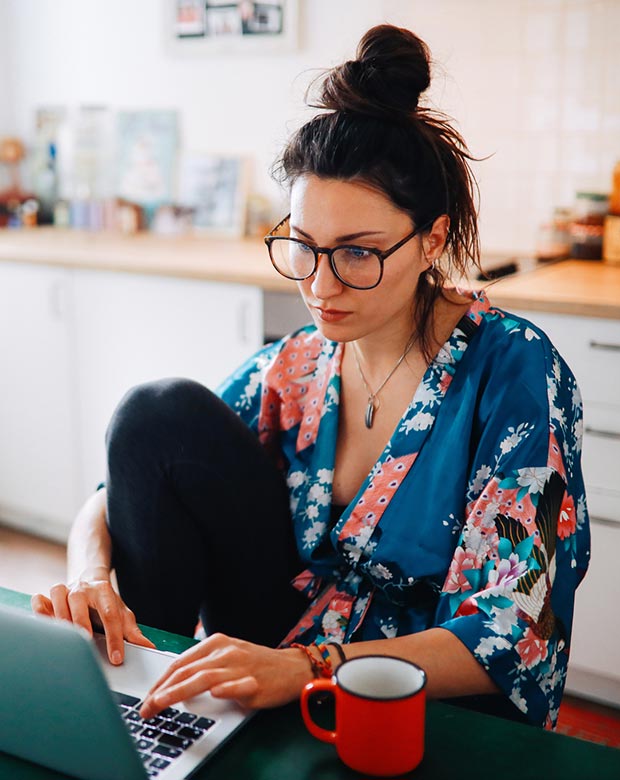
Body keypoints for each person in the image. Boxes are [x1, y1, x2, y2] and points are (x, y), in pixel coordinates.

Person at [32, 25, 589, 730]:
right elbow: (116, 493)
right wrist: (88, 578)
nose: (320, 284)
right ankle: (147, 709)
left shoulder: (511, 371)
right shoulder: (299, 363)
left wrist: (307, 667)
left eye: (357, 253)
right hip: (286, 647)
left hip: (418, 691)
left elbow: (516, 631)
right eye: (302, 246)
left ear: (434, 239)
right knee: (154, 414)